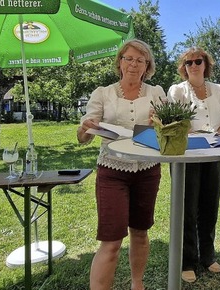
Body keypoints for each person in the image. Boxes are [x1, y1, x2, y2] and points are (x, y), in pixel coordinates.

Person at [77, 39, 165, 290]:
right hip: (112, 171)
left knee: (140, 232)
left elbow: (166, 132)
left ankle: (137, 284)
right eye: (129, 59)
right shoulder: (103, 93)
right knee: (111, 241)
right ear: (119, 62)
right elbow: (82, 137)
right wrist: (85, 129)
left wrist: (159, 123)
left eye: (140, 60)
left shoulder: (156, 93)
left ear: (147, 66)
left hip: (147, 170)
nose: (134, 65)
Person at [167, 47, 220, 283]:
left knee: (209, 206)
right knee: (187, 209)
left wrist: (216, 135)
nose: (193, 65)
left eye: (198, 61)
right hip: (187, 154)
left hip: (214, 153)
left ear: (206, 64)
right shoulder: (177, 91)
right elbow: (173, 122)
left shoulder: (219, 90)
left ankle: (208, 255)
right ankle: (187, 260)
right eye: (188, 63)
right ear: (184, 68)